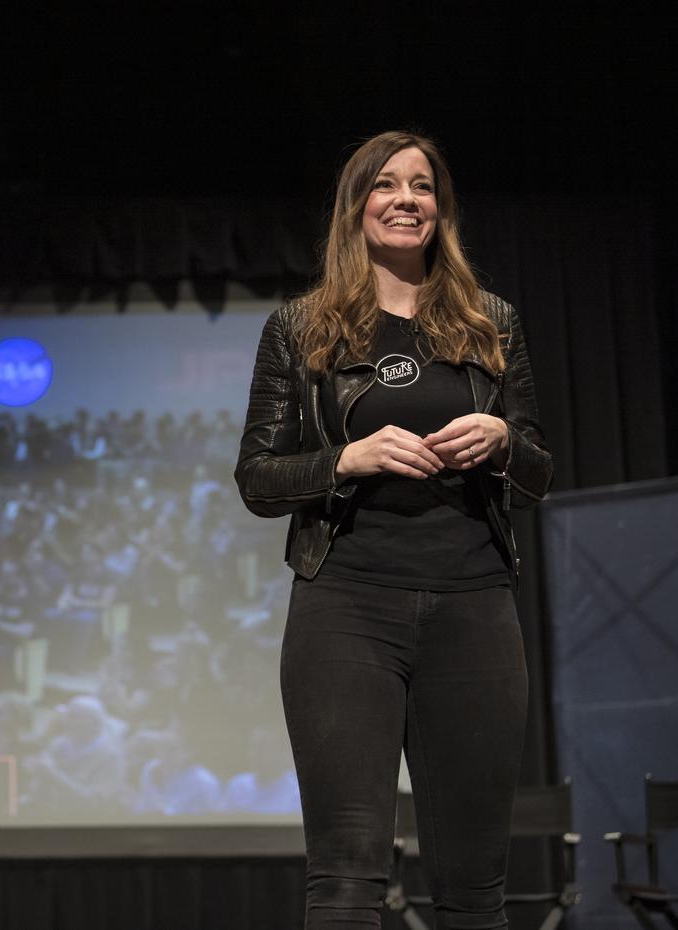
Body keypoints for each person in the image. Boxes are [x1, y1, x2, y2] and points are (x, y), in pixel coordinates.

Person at [235, 131, 552, 930]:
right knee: (345, 880)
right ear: (356, 208)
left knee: (476, 889)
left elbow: (541, 471)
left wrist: (505, 442)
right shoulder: (300, 328)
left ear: (439, 211)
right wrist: (348, 457)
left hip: (474, 606)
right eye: (386, 185)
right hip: (346, 607)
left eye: (422, 186)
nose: (406, 199)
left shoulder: (493, 323)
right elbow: (258, 478)